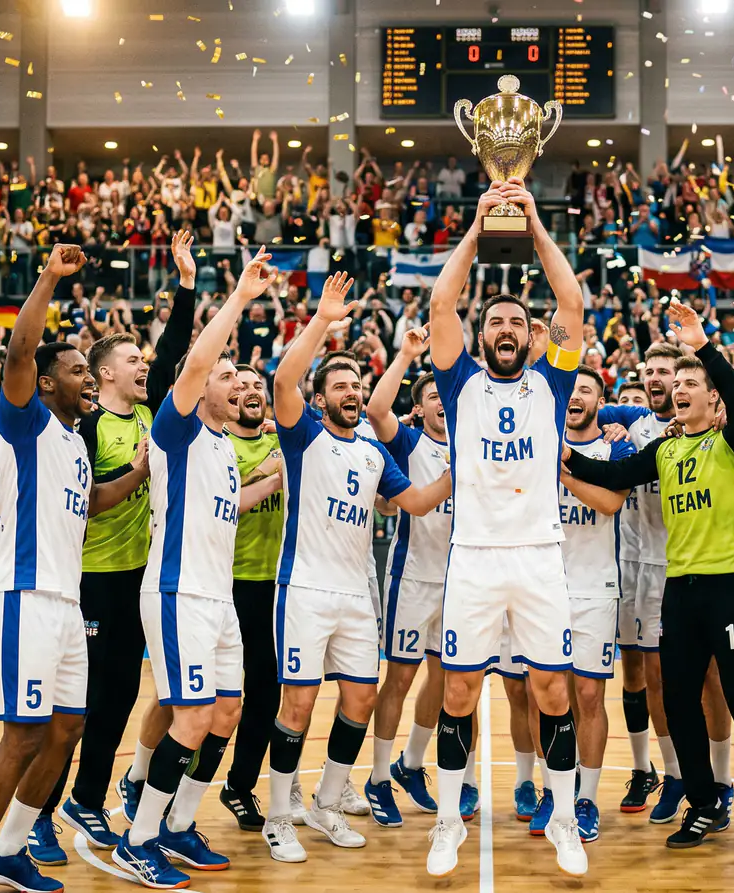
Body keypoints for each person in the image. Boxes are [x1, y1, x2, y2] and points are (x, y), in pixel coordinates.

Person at [562, 297, 734, 858]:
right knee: (680, 703)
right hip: (680, 591)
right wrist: (557, 457)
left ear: (711, 396)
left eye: (693, 382)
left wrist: (705, 348)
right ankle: (705, 803)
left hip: (732, 585)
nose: (683, 388)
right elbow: (613, 472)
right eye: (679, 382)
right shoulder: (665, 449)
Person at [423, 179, 590, 879]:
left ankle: (561, 817)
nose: (505, 329)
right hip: (475, 557)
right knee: (459, 692)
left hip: (539, 556)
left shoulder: (551, 382)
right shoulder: (459, 379)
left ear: (532, 334)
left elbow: (573, 302)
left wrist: (529, 220)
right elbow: (440, 302)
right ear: (480, 334)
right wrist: (477, 229)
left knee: (553, 690)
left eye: (517, 321)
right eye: (495, 322)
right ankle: (447, 821)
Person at [262, 271, 452, 864]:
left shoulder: (373, 451)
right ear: (321, 398)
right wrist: (322, 320)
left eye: (356, 384)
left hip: (353, 594)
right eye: (340, 385)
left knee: (360, 700)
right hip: (305, 589)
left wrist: (464, 469)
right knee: (296, 705)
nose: (351, 392)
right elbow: (283, 378)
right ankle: (276, 816)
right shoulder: (302, 435)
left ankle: (324, 800)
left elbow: (416, 503)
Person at [110, 248, 280, 887]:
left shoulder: (222, 445)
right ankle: (140, 837)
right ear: (196, 383)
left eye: (239, 375)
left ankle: (177, 823)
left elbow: (227, 505)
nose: (237, 382)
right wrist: (237, 297)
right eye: (225, 374)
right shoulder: (175, 430)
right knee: (190, 717)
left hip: (217, 598)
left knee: (227, 711)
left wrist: (276, 474)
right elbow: (200, 360)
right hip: (178, 591)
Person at [0, 243, 96, 893]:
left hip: (64, 602)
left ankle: (7, 849)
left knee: (65, 729)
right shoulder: (24, 422)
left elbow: (96, 501)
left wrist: (141, 470)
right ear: (48, 380)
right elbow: (19, 351)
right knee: (22, 735)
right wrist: (51, 276)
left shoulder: (76, 446)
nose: (89, 377)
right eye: (78, 369)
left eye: (92, 368)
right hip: (22, 593)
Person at [46, 228, 200, 859]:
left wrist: (186, 285)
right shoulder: (85, 425)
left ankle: (86, 800)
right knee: (79, 707)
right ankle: (40, 813)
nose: (145, 368)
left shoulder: (146, 412)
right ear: (104, 372)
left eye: (144, 363)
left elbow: (171, 355)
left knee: (120, 697)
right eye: (132, 363)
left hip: (137, 576)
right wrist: (137, 471)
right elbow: (86, 504)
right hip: (91, 578)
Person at [362, 326, 469, 828]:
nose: (442, 401)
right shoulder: (407, 442)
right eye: (433, 396)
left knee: (445, 676)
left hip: (462, 581)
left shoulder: (476, 442)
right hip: (413, 576)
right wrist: (406, 355)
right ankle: (378, 777)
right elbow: (376, 412)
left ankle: (410, 763)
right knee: (400, 677)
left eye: (446, 394)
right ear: (421, 408)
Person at [595, 343, 682, 820]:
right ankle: (641, 767)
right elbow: (578, 400)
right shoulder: (628, 420)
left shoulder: (691, 423)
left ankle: (675, 774)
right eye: (648, 371)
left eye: (663, 372)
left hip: (670, 564)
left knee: (659, 678)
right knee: (631, 673)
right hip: (626, 562)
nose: (654, 378)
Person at [554, 365, 633, 842]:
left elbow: (610, 502)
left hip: (596, 588)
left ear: (599, 403)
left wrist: (561, 472)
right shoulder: (536, 441)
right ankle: (553, 790)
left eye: (587, 390)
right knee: (551, 696)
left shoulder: (615, 447)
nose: (577, 397)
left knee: (588, 696)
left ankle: (585, 797)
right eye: (572, 389)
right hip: (544, 585)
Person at [215, 363, 288, 832]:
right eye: (239, 387)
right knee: (214, 698)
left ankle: (239, 786)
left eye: (257, 385)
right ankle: (153, 778)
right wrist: (270, 470)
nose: (251, 391)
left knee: (266, 693)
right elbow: (220, 497)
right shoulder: (218, 443)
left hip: (273, 585)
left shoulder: (280, 438)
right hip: (225, 583)